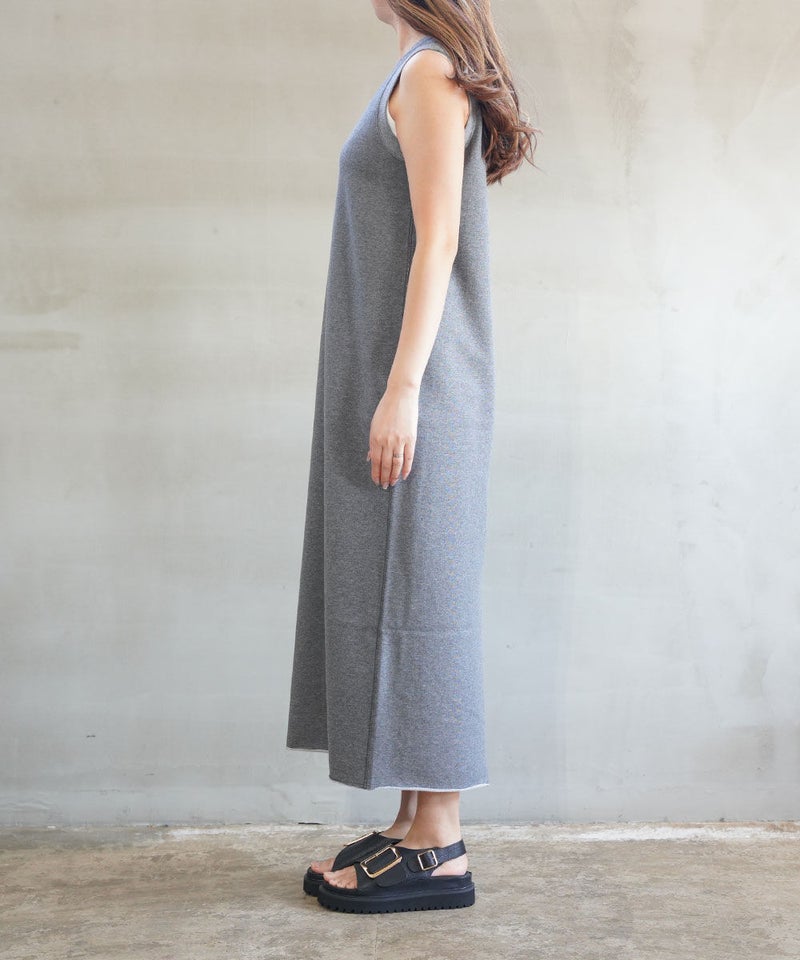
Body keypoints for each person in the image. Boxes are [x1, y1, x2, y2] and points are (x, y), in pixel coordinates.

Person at [286, 0, 537, 913]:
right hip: (396, 377)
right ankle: (413, 817)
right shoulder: (419, 68)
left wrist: (402, 390)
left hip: (419, 384)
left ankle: (441, 842)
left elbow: (441, 241)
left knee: (422, 598)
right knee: (394, 586)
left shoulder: (429, 74)